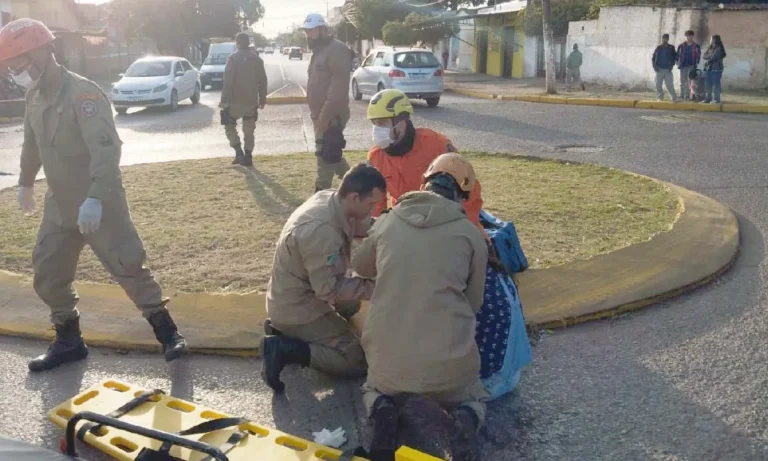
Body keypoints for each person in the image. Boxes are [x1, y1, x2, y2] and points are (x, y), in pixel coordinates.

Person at [0, 19, 188, 372]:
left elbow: (106, 150)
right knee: (47, 273)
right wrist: (25, 182)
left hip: (99, 202)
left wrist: (96, 197)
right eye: (9, 66)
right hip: (61, 204)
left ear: (42, 52)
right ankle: (69, 341)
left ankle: (169, 334)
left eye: (18, 62)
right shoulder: (34, 95)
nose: (15, 71)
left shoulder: (82, 94)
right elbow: (31, 144)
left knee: (129, 267)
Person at [352, 153, 489, 461]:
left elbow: (360, 266)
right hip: (449, 366)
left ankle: (384, 409)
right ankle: (465, 418)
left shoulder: (387, 222)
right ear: (461, 194)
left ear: (425, 182)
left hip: (390, 364)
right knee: (475, 397)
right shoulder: (471, 236)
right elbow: (474, 302)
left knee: (373, 389)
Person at [260, 163, 387, 393]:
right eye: (371, 205)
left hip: (296, 291)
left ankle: (286, 332)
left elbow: (364, 227)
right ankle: (285, 348)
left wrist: (393, 228)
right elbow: (329, 290)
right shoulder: (321, 231)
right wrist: (379, 287)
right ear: (356, 197)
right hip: (297, 307)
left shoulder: (333, 199)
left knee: (351, 304)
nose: (373, 211)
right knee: (357, 359)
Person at [365, 88, 484, 233]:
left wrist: (465, 229)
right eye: (374, 123)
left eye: (382, 123)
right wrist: (377, 231)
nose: (376, 129)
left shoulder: (436, 144)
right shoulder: (376, 156)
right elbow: (377, 202)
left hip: (445, 220)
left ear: (401, 123)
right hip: (405, 220)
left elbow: (468, 190)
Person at [301, 13, 354, 192]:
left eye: (312, 30)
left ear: (323, 29)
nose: (309, 35)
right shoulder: (319, 50)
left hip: (332, 114)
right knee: (333, 154)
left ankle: (320, 194)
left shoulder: (337, 49)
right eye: (306, 31)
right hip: (320, 114)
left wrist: (323, 119)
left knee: (323, 155)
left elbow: (337, 91)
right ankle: (357, 185)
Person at [220, 32, 268, 166]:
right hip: (251, 102)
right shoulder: (257, 60)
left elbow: (228, 82)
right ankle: (248, 156)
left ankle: (238, 152)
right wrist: (262, 99)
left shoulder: (233, 58)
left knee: (229, 126)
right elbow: (263, 81)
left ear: (237, 43)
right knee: (249, 130)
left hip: (235, 101)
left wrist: (224, 101)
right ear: (249, 43)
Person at [652, 33, 678, 102]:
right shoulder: (658, 48)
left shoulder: (671, 47)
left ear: (668, 39)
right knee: (658, 84)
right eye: (664, 38)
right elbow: (653, 58)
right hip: (659, 69)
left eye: (666, 38)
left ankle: (674, 98)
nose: (665, 39)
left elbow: (675, 57)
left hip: (667, 70)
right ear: (662, 39)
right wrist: (654, 66)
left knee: (669, 85)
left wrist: (672, 65)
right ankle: (660, 97)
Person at [702, 35, 726, 105]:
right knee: (707, 84)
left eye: (711, 39)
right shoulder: (710, 48)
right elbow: (704, 56)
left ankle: (716, 99)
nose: (710, 40)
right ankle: (708, 98)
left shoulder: (718, 48)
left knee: (716, 84)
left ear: (715, 40)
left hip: (716, 69)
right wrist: (709, 56)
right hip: (708, 68)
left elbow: (713, 57)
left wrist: (709, 56)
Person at [677, 30, 701, 100]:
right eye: (687, 36)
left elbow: (698, 55)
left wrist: (696, 63)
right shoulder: (681, 46)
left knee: (690, 81)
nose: (688, 37)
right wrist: (678, 63)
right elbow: (677, 55)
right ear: (685, 36)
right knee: (682, 81)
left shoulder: (696, 46)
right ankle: (681, 95)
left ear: (692, 36)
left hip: (691, 65)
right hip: (683, 65)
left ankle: (687, 95)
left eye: (690, 36)